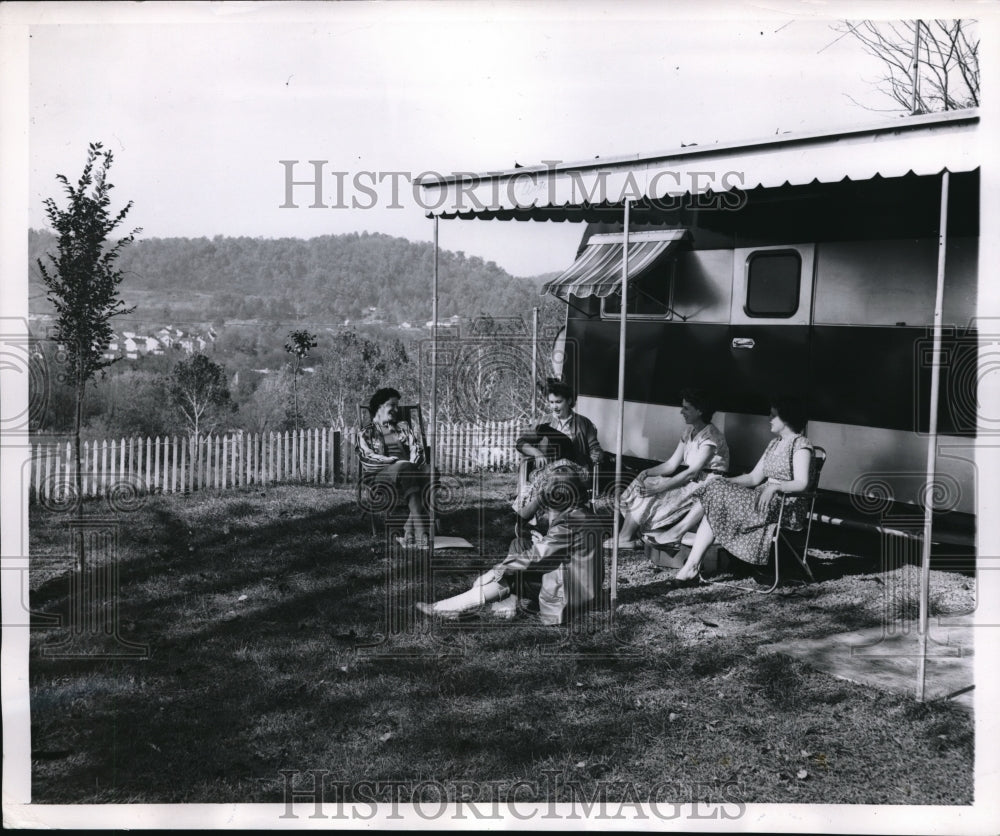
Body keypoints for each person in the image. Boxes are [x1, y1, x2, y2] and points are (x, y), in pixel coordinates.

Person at [416, 468, 603, 624]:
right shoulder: (583, 514)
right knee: (520, 543)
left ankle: (443, 607)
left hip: (570, 593)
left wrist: (497, 569)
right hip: (582, 583)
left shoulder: (569, 523)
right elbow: (567, 550)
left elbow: (536, 556)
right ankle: (507, 604)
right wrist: (544, 541)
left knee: (512, 576)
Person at [659, 397, 813, 585]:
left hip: (785, 505)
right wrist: (725, 482)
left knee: (715, 498)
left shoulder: (801, 445)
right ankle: (691, 566)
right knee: (715, 492)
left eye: (773, 415)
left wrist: (775, 487)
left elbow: (802, 483)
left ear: (787, 418)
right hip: (763, 499)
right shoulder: (774, 444)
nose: (769, 419)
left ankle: (687, 559)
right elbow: (753, 478)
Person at [604, 389, 729, 550]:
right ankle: (634, 535)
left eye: (686, 408)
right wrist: (647, 473)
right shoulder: (689, 432)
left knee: (653, 492)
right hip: (692, 480)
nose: (681, 411)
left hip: (706, 486)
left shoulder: (710, 437)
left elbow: (692, 472)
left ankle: (625, 537)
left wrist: (660, 487)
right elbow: (671, 465)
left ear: (700, 410)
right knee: (643, 484)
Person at [513, 381, 603, 522]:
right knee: (559, 479)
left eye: (558, 402)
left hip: (576, 473)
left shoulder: (583, 423)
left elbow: (595, 448)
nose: (554, 406)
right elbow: (521, 443)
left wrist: (596, 454)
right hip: (546, 472)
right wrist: (537, 453)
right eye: (551, 402)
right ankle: (553, 532)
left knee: (562, 476)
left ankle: (530, 513)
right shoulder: (543, 422)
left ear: (570, 401)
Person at [357, 387, 430, 547]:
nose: (397, 410)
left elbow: (416, 450)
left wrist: (411, 464)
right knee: (407, 469)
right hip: (382, 475)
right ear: (380, 407)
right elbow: (366, 457)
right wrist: (388, 460)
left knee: (430, 471)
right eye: (393, 405)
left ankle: (409, 531)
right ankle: (421, 531)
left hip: (408, 472)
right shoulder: (367, 433)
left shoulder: (402, 428)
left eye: (398, 406)